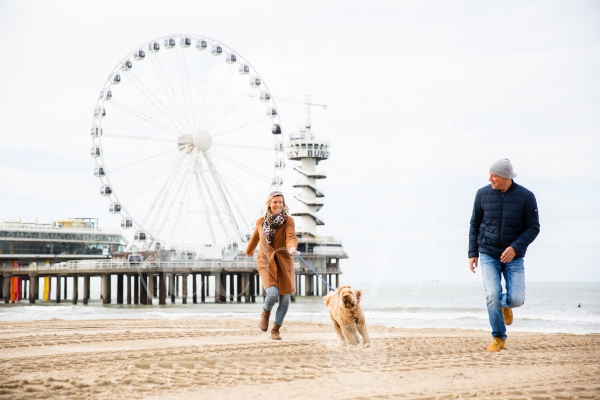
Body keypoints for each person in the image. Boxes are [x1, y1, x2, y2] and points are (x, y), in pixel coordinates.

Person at [468, 159, 540, 352]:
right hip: (488, 253)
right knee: (492, 294)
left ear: (506, 177)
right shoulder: (482, 194)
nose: (490, 178)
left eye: (494, 175)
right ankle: (498, 337)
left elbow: (533, 227)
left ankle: (505, 305)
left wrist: (515, 247)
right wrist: (472, 253)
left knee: (516, 299)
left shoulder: (526, 197)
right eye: (490, 174)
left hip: (513, 256)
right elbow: (474, 224)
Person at [246, 191, 298, 340]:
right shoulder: (260, 221)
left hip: (284, 261)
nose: (278, 205)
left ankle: (275, 329)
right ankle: (265, 313)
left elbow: (291, 237)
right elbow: (255, 237)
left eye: (280, 202)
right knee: (272, 294)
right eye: (275, 202)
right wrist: (249, 250)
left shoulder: (289, 221)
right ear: (269, 203)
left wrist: (292, 247)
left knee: (285, 299)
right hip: (265, 261)